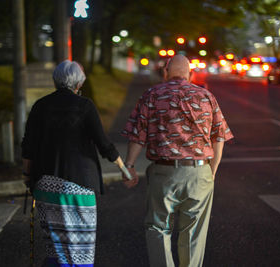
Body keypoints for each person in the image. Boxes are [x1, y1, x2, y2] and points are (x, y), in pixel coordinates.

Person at [121, 55, 234, 267]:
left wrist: (129, 166)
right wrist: (212, 170)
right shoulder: (206, 96)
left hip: (164, 173)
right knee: (193, 232)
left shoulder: (152, 95)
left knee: (157, 227)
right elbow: (218, 137)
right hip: (199, 172)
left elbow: (138, 135)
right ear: (190, 74)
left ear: (165, 72)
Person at [21, 60, 121, 267]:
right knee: (80, 245)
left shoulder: (40, 105)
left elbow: (28, 145)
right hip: (78, 184)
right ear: (79, 83)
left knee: (56, 244)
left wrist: (27, 176)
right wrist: (122, 166)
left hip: (45, 183)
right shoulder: (85, 106)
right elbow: (102, 142)